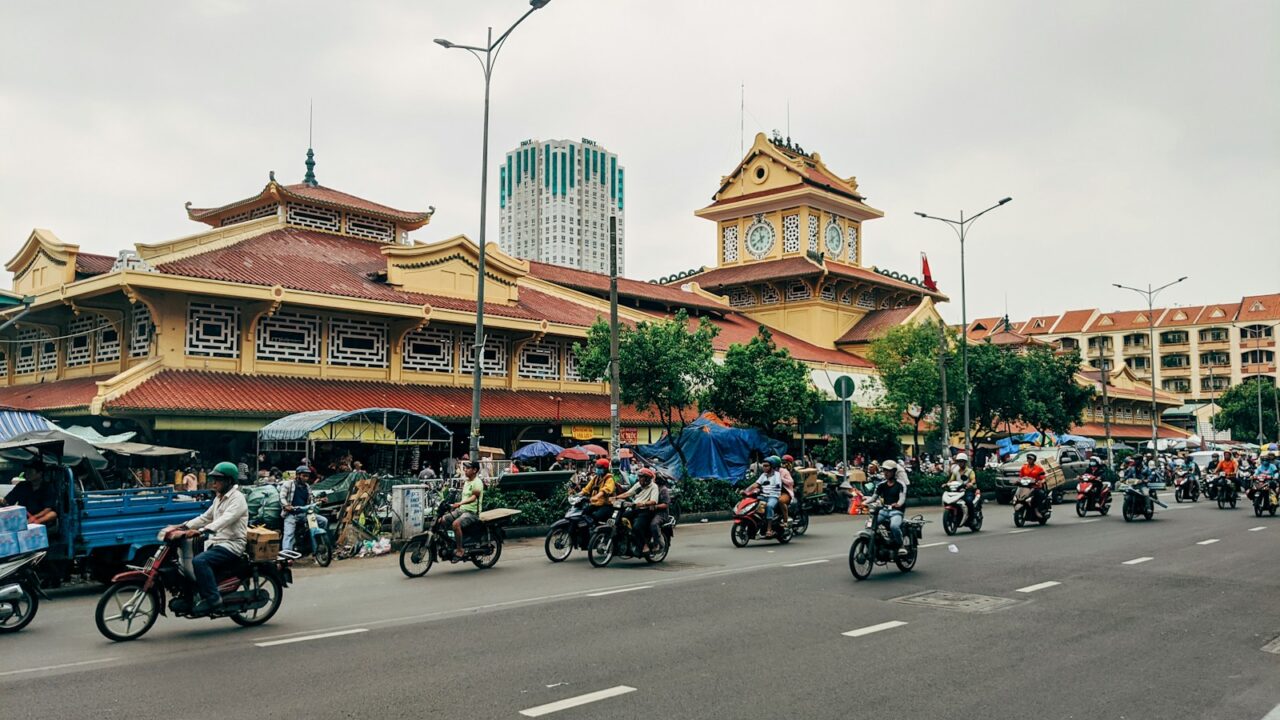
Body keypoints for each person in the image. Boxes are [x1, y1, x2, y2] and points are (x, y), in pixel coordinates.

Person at [169, 461, 247, 615]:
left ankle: (213, 600)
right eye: (213, 479)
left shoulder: (237, 499)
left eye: (217, 480)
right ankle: (191, 596)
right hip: (216, 542)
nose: (214, 483)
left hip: (231, 544)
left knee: (200, 561)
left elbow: (225, 520)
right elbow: (205, 517)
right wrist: (183, 527)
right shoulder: (219, 498)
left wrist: (202, 531)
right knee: (183, 563)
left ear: (229, 481)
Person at [436, 460, 484, 559]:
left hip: (472, 513)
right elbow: (459, 494)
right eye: (465, 468)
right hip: (462, 510)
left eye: (468, 468)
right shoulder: (466, 482)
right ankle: (449, 543)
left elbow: (474, 497)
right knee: (442, 520)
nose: (465, 470)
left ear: (475, 470)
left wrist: (460, 503)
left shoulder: (477, 482)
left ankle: (459, 549)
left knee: (456, 524)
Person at [279, 465, 327, 555]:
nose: (306, 478)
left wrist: (320, 501)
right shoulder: (288, 484)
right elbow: (282, 497)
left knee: (323, 521)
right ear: (298, 475)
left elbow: (311, 499)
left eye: (307, 476)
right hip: (291, 514)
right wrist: (286, 506)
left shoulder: (307, 487)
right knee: (289, 534)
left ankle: (318, 544)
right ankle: (286, 556)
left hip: (305, 514)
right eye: (304, 476)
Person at [614, 467, 661, 553]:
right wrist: (615, 497)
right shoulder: (638, 484)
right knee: (622, 518)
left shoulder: (654, 487)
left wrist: (643, 503)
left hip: (646, 511)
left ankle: (644, 545)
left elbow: (654, 501)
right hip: (635, 508)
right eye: (639, 477)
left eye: (641, 477)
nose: (638, 479)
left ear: (647, 478)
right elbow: (628, 493)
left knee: (637, 527)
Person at [2, 461, 60, 526]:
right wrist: (3, 502)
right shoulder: (21, 485)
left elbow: (48, 508)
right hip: (22, 516)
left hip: (40, 517)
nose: (27, 473)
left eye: (30, 472)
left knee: (52, 514)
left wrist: (35, 517)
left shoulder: (48, 487)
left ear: (40, 473)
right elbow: (8, 501)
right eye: (26, 471)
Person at [741, 456, 785, 538]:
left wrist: (769, 485)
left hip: (773, 496)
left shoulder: (777, 475)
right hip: (763, 496)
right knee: (752, 504)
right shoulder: (763, 475)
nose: (764, 467)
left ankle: (769, 529)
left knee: (769, 506)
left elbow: (777, 485)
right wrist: (746, 490)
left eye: (766, 466)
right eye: (764, 466)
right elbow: (756, 484)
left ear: (771, 466)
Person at [873, 462, 908, 555]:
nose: (886, 473)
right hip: (883, 511)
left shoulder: (900, 484)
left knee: (894, 526)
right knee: (870, 524)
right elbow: (873, 497)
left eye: (888, 471)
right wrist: (863, 502)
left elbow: (902, 498)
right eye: (884, 470)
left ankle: (901, 545)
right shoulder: (881, 485)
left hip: (896, 512)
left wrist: (898, 504)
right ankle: (878, 543)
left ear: (894, 472)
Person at [579, 459, 618, 525]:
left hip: (607, 505)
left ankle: (599, 533)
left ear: (605, 468)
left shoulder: (610, 479)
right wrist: (577, 495)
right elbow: (586, 489)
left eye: (599, 468)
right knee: (584, 513)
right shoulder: (596, 478)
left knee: (596, 516)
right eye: (597, 467)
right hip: (596, 504)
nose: (597, 469)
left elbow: (605, 490)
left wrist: (596, 497)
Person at [949, 452, 978, 518]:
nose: (960, 463)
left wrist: (970, 483)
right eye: (958, 461)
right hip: (957, 491)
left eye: (961, 461)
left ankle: (972, 517)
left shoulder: (970, 471)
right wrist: (946, 484)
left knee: (968, 501)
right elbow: (951, 480)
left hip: (968, 491)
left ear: (965, 462)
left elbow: (973, 479)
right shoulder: (955, 471)